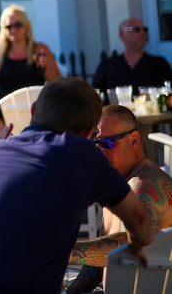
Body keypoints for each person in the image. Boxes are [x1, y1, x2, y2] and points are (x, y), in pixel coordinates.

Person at [0, 77, 155, 294]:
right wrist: (135, 248)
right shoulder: (80, 154)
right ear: (87, 132)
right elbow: (141, 222)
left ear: (34, 110)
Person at [66, 105, 172, 294]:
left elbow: (126, 246)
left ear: (134, 140)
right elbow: (97, 265)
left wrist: (60, 250)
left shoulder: (144, 185)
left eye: (107, 142)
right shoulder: (117, 185)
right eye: (96, 143)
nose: (100, 150)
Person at [0, 5, 61, 126]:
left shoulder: (39, 49)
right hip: (6, 113)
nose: (13, 30)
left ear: (26, 27)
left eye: (18, 25)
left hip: (35, 110)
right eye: (8, 26)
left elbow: (59, 82)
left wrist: (44, 70)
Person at [92, 17, 172, 92]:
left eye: (144, 29)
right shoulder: (108, 66)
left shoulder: (159, 64)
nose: (142, 33)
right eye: (136, 29)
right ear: (121, 35)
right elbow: (94, 95)